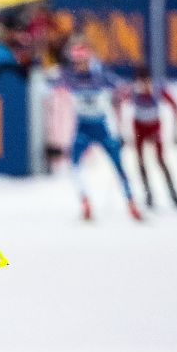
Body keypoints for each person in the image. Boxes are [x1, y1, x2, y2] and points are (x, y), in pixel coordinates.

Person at [59, 36, 142, 222]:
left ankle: (131, 203)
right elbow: (52, 86)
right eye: (76, 61)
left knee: (119, 166)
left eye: (82, 60)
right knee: (74, 164)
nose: (79, 65)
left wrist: (121, 98)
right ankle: (85, 201)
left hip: (102, 127)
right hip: (83, 126)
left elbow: (124, 88)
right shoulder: (70, 75)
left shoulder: (100, 74)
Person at [123, 66, 177, 209]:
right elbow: (119, 105)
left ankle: (174, 195)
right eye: (141, 83)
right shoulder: (133, 91)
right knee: (141, 162)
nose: (144, 86)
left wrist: (176, 133)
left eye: (147, 82)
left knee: (161, 161)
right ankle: (148, 194)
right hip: (139, 128)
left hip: (154, 128)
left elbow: (176, 108)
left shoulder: (158, 90)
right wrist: (123, 134)